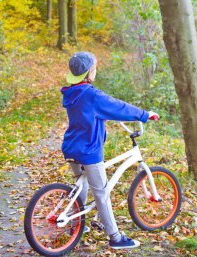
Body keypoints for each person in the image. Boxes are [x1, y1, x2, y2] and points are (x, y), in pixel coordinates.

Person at [60, 51, 159, 249]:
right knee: (102, 194)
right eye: (94, 69)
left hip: (72, 146)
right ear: (89, 73)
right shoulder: (91, 94)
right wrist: (144, 115)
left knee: (82, 184)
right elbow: (118, 107)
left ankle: (76, 224)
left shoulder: (72, 93)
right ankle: (115, 237)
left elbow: (96, 112)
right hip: (89, 150)